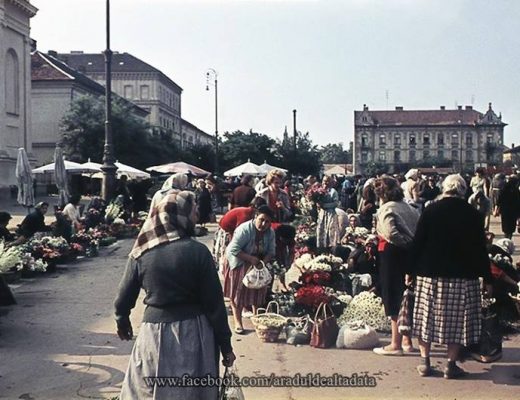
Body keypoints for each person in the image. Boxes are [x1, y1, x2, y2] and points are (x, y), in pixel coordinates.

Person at [114, 191, 235, 399]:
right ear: (181, 216)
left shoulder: (142, 251)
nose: (196, 216)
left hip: (152, 335)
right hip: (194, 333)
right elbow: (214, 305)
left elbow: (123, 297)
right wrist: (226, 345)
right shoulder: (198, 252)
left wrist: (121, 320)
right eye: (194, 212)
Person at [409, 174, 492, 379]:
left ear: (444, 189)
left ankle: (425, 362)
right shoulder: (473, 214)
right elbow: (480, 249)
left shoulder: (430, 210)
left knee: (426, 318)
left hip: (430, 274)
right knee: (458, 321)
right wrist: (487, 278)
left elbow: (418, 242)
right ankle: (450, 365)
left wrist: (409, 271)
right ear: (463, 190)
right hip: (463, 276)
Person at [372, 176, 419, 357]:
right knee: (407, 294)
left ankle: (395, 344)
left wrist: (403, 242)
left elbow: (390, 233)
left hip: (391, 254)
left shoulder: (386, 208)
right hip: (409, 254)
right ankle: (407, 341)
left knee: (393, 295)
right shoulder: (409, 207)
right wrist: (411, 244)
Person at [225, 205, 276, 334]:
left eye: (267, 221)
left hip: (257, 262)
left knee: (258, 290)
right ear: (255, 217)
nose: (263, 224)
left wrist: (262, 263)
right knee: (238, 292)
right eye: (261, 219)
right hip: (239, 260)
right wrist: (251, 259)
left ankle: (257, 318)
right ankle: (238, 321)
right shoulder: (244, 229)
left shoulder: (270, 232)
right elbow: (233, 249)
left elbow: (271, 251)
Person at [316, 175, 340, 250]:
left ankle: (331, 248)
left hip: (330, 214)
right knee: (321, 230)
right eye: (324, 180)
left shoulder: (333, 191)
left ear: (330, 182)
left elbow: (336, 203)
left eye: (327, 181)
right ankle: (321, 248)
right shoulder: (319, 190)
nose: (325, 182)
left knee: (331, 231)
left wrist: (325, 205)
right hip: (322, 214)